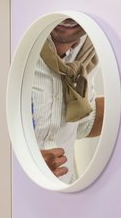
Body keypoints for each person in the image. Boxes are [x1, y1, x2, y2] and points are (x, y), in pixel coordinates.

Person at [32, 16, 105, 181]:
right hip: (12, 197)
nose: (67, 21)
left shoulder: (88, 52)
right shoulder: (14, 45)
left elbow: (80, 125)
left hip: (67, 197)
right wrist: (26, 162)